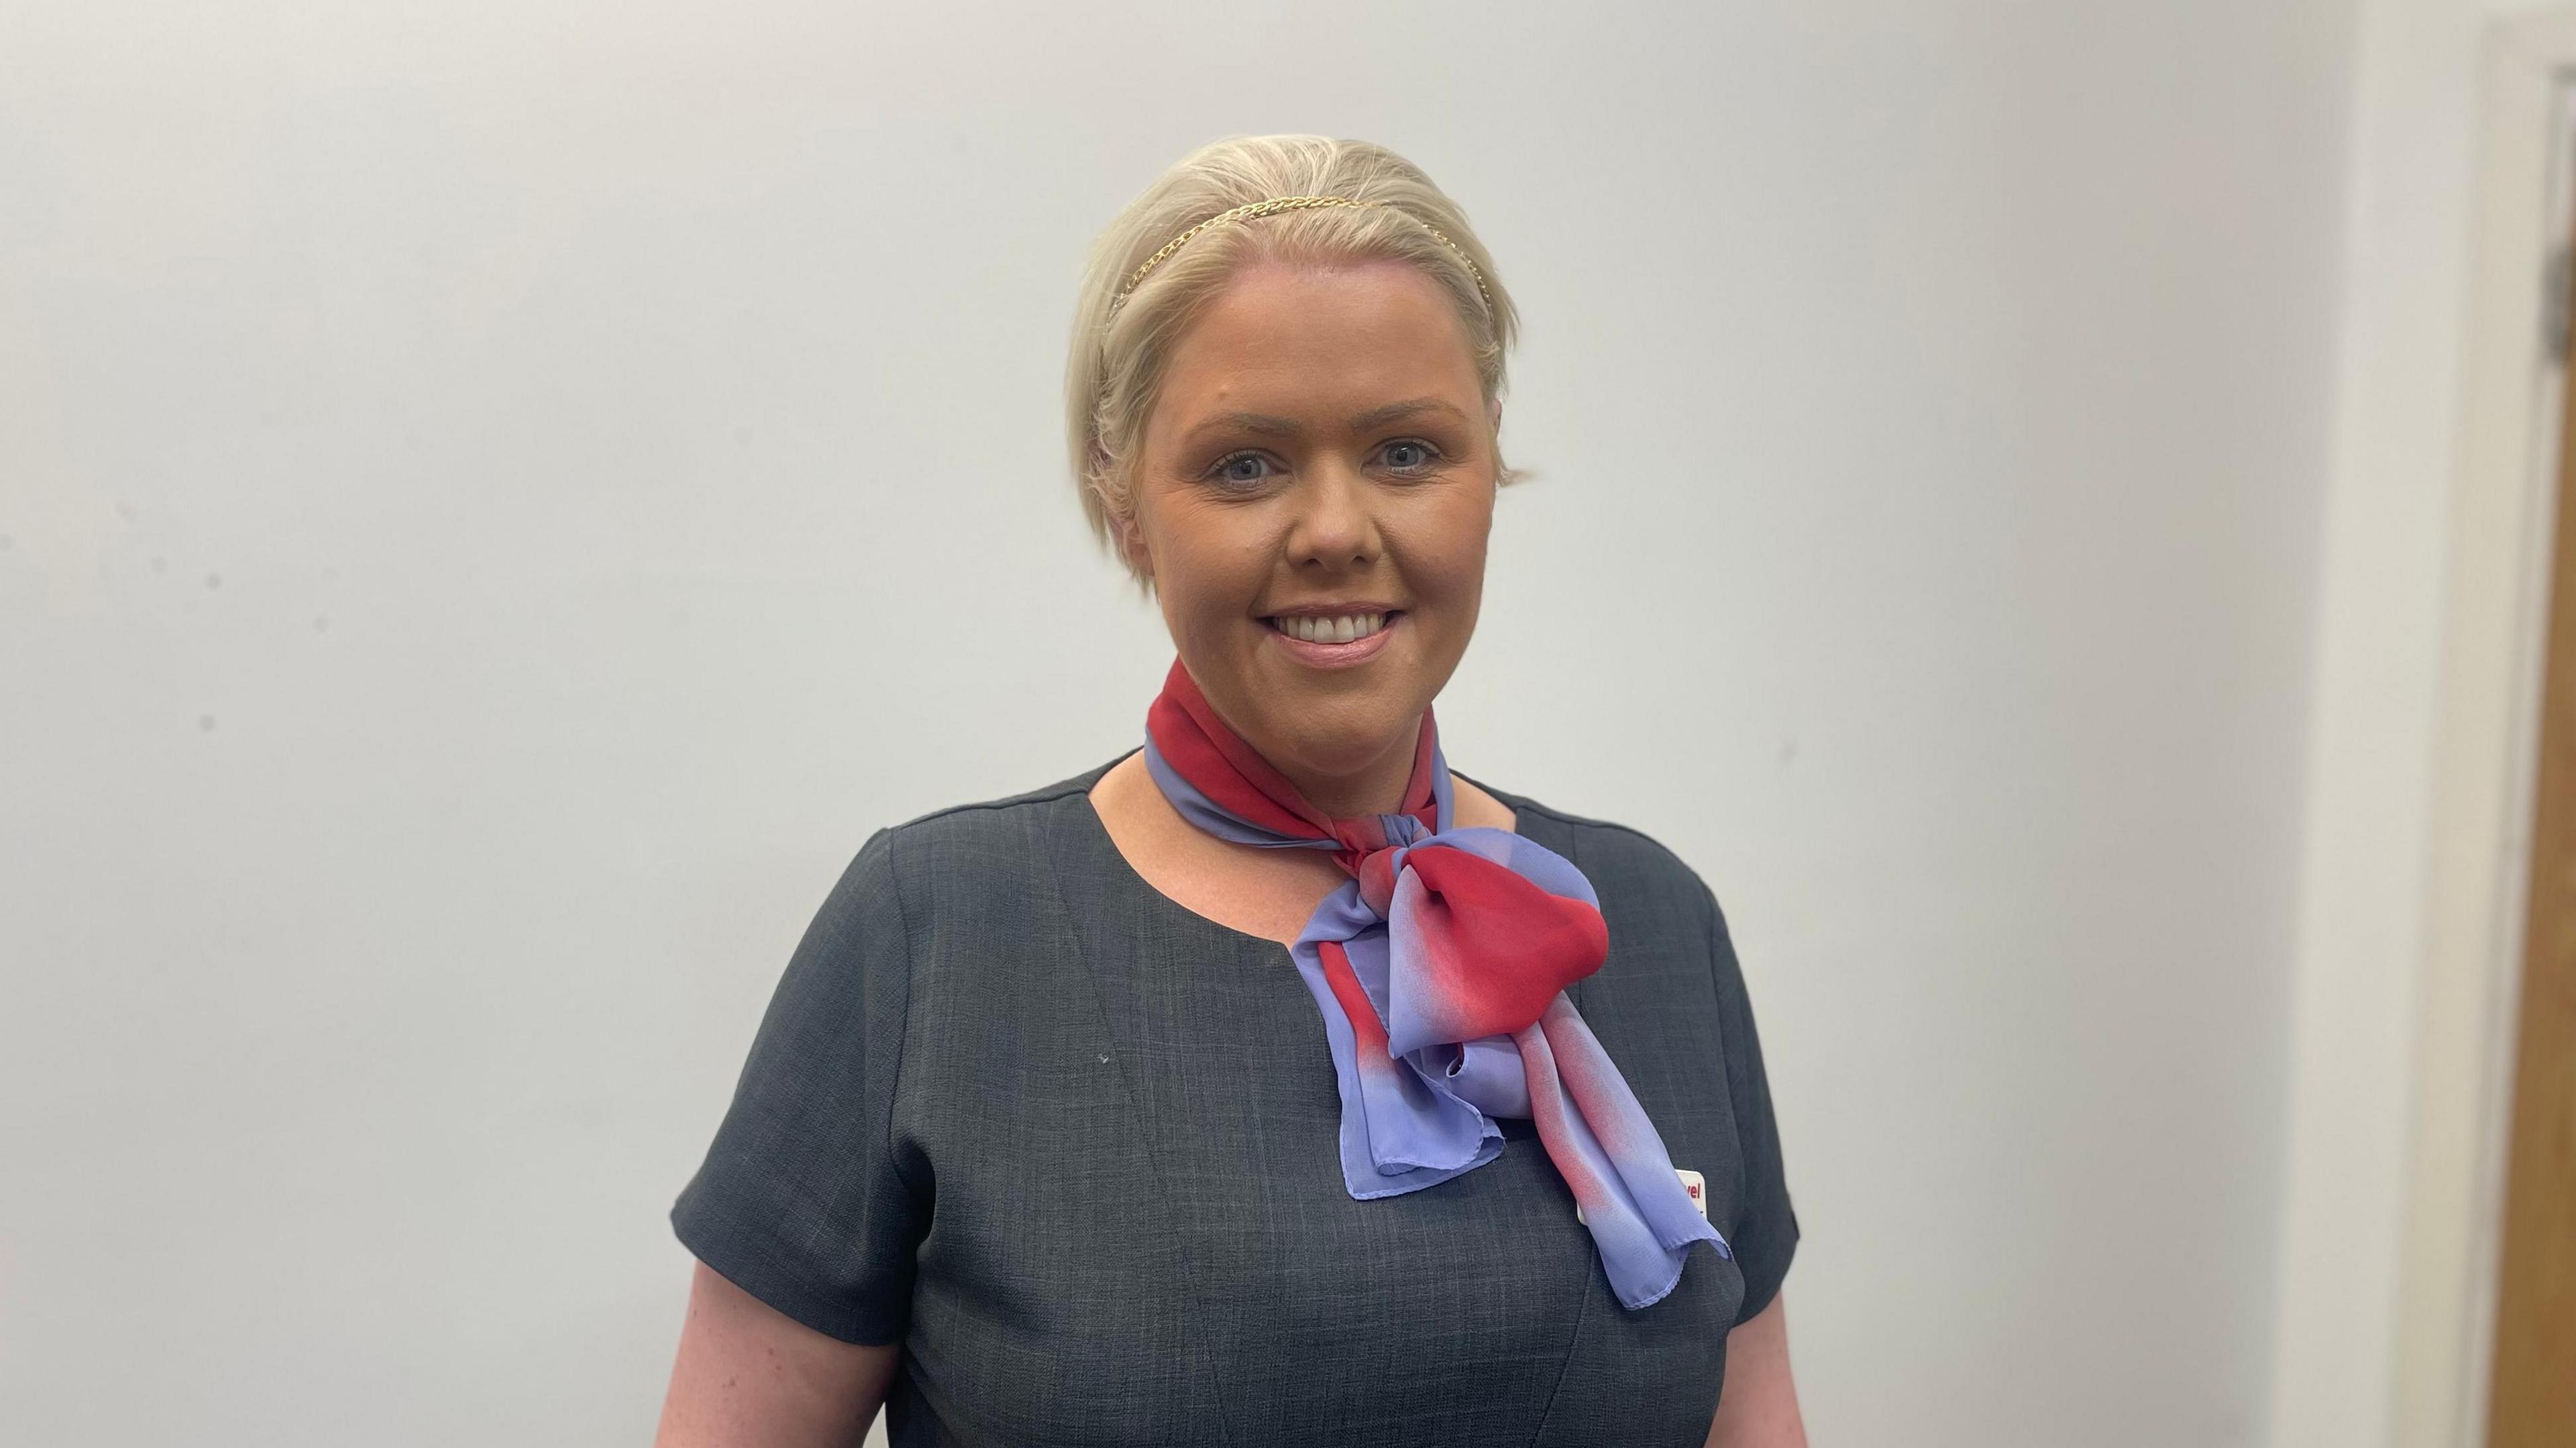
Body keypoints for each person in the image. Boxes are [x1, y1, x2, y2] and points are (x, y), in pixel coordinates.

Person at [652, 133, 1805, 1447]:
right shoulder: (937, 936)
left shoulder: (1648, 925)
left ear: (1491, 470)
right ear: (1127, 500)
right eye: (1246, 465)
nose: (1333, 529)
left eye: (1408, 452)